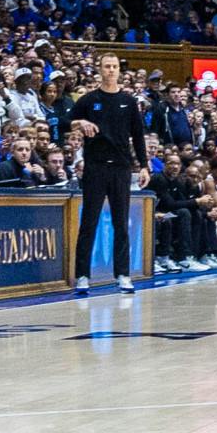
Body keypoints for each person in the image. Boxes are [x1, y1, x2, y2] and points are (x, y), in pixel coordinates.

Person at [71, 53, 148, 294]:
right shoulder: (88, 99)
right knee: (89, 222)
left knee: (120, 223)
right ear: (100, 69)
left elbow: (138, 135)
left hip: (121, 167)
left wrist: (144, 165)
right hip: (95, 167)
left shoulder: (128, 100)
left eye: (115, 66)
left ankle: (123, 274)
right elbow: (63, 122)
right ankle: (82, 275)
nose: (111, 70)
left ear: (119, 71)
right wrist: (79, 123)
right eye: (107, 66)